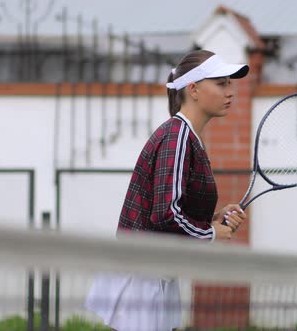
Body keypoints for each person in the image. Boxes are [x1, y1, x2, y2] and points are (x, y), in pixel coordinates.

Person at [86, 49, 249, 331]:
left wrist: (213, 218)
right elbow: (165, 215)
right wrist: (210, 234)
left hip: (154, 271)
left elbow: (169, 210)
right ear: (194, 89)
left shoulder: (185, 135)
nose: (230, 91)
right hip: (142, 275)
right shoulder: (178, 137)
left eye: (230, 83)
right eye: (221, 83)